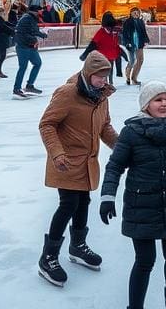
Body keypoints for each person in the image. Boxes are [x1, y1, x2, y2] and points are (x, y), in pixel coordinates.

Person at [99, 81, 166, 309]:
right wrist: (107, 197)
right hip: (141, 206)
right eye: (158, 99)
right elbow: (115, 166)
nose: (164, 103)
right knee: (145, 261)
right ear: (146, 104)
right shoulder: (131, 132)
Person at [37, 51, 118, 287]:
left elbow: (105, 127)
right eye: (100, 76)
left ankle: (77, 246)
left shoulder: (101, 97)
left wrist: (121, 147)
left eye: (106, 76)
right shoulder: (67, 93)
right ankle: (48, 256)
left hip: (88, 162)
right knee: (69, 204)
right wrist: (57, 153)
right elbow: (47, 124)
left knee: (84, 202)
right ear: (88, 73)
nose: (104, 81)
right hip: (67, 162)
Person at [13, 4, 48, 99]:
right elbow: (22, 33)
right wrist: (38, 37)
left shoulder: (31, 18)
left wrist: (40, 36)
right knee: (23, 67)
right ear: (36, 11)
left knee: (37, 63)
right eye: (40, 10)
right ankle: (16, 88)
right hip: (23, 47)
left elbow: (33, 31)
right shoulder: (27, 18)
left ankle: (29, 85)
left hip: (30, 46)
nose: (42, 12)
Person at [81, 11, 124, 84]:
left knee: (104, 69)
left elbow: (93, 43)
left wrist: (85, 54)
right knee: (110, 68)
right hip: (112, 54)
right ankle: (110, 82)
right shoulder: (115, 30)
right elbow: (116, 43)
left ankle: (106, 82)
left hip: (103, 54)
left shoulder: (102, 31)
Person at [122, 7, 150, 86]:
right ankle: (128, 76)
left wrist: (146, 40)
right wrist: (127, 43)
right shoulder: (127, 22)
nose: (136, 14)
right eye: (134, 13)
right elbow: (124, 34)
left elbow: (144, 32)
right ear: (131, 13)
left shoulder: (140, 21)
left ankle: (134, 78)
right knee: (132, 61)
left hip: (139, 43)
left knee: (140, 60)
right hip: (131, 44)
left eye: (137, 13)